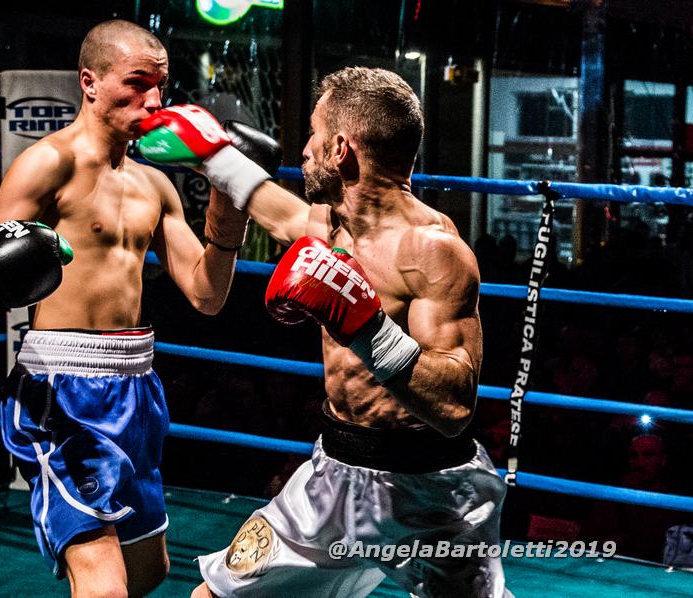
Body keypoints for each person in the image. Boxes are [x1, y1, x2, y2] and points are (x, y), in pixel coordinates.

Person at [137, 67, 509, 596]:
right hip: (333, 474)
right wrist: (214, 157)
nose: (304, 148)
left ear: (340, 147)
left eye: (312, 133)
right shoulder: (330, 220)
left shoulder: (433, 250)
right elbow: (281, 215)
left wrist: (367, 327)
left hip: (433, 494)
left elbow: (454, 408)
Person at [0, 20, 250, 598]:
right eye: (136, 83)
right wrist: (10, 262)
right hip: (60, 395)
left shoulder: (155, 186)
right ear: (89, 82)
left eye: (161, 86)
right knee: (104, 585)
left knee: (148, 572)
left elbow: (207, 296)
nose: (154, 100)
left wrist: (228, 214)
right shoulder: (48, 163)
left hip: (136, 389)